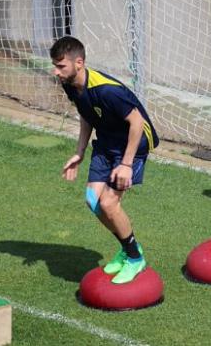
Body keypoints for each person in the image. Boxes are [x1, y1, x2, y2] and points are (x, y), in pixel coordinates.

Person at [50, 36, 159, 284]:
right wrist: (80, 152)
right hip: (107, 142)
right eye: (55, 66)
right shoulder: (71, 84)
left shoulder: (107, 90)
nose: (56, 72)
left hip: (133, 145)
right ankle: (129, 247)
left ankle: (135, 259)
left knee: (109, 204)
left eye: (60, 66)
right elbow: (86, 115)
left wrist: (127, 164)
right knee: (93, 201)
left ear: (79, 63)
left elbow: (137, 123)